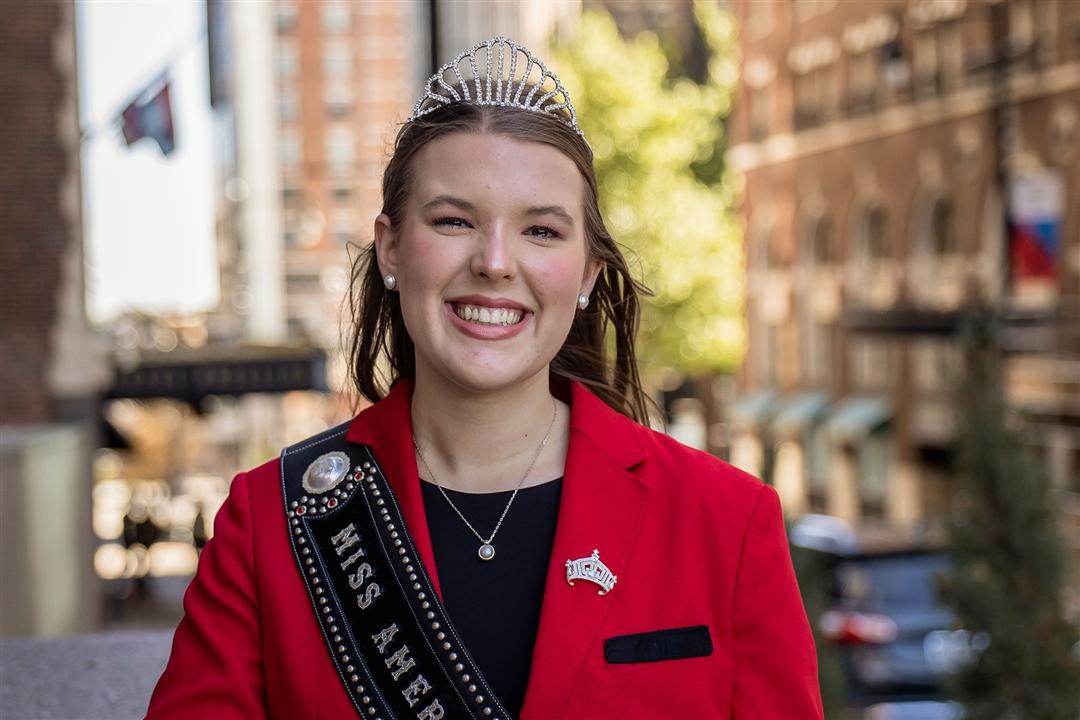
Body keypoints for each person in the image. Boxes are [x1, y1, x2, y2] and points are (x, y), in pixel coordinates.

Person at [146, 36, 822, 720]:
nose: (495, 262)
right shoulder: (272, 522)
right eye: (453, 221)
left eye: (542, 231)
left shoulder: (726, 521)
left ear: (587, 273)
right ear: (391, 248)